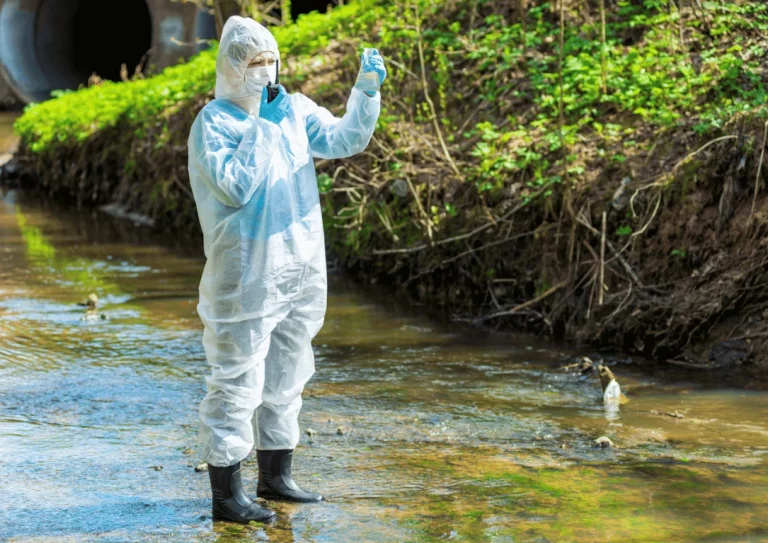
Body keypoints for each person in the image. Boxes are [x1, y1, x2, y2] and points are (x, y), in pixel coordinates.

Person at [187, 16, 385, 524]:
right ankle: (226, 496)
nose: (265, 70)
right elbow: (234, 186)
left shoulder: (292, 109)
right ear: (232, 67)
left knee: (288, 374)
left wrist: (364, 94)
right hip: (246, 276)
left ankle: (275, 476)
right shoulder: (215, 123)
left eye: (270, 60)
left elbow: (345, 141)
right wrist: (264, 129)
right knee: (236, 381)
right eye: (254, 62)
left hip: (300, 269)